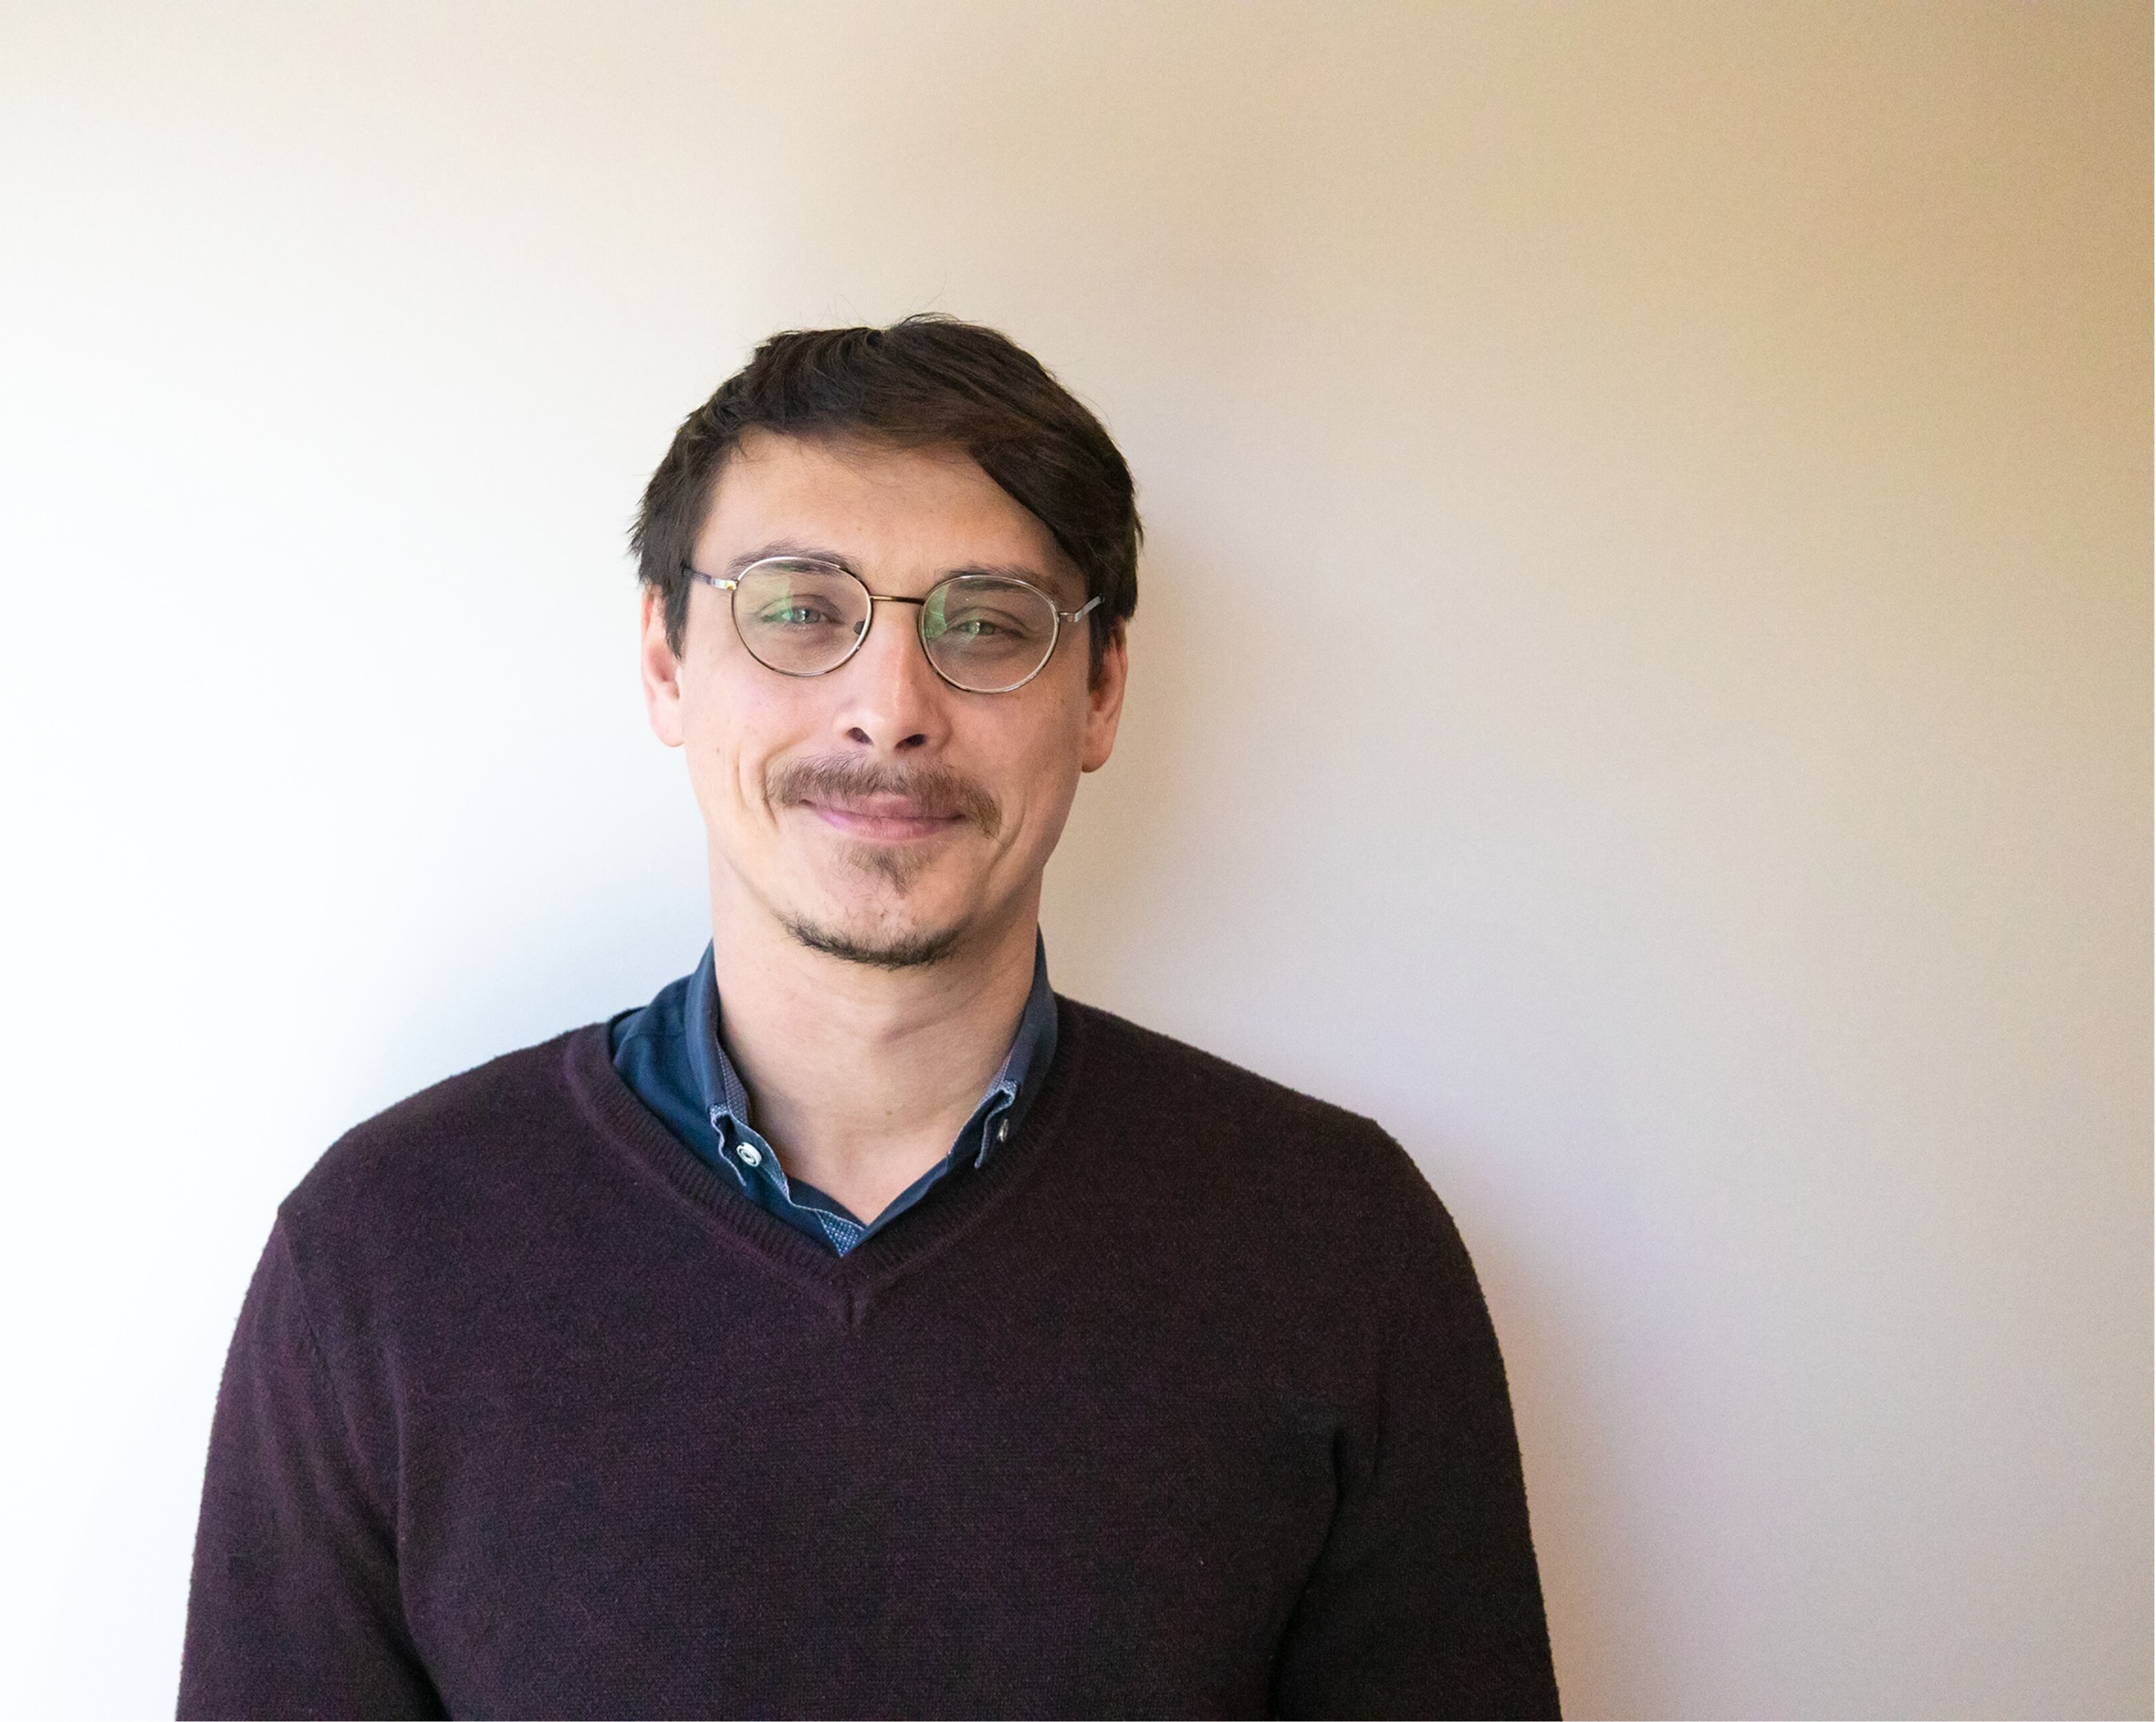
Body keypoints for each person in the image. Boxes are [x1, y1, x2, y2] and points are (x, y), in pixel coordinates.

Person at [178, 317, 1559, 1719]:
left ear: (1100, 691)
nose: (889, 708)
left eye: (987, 623)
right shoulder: (385, 1251)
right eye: (799, 612)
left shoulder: (1338, 1247)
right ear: (665, 659)